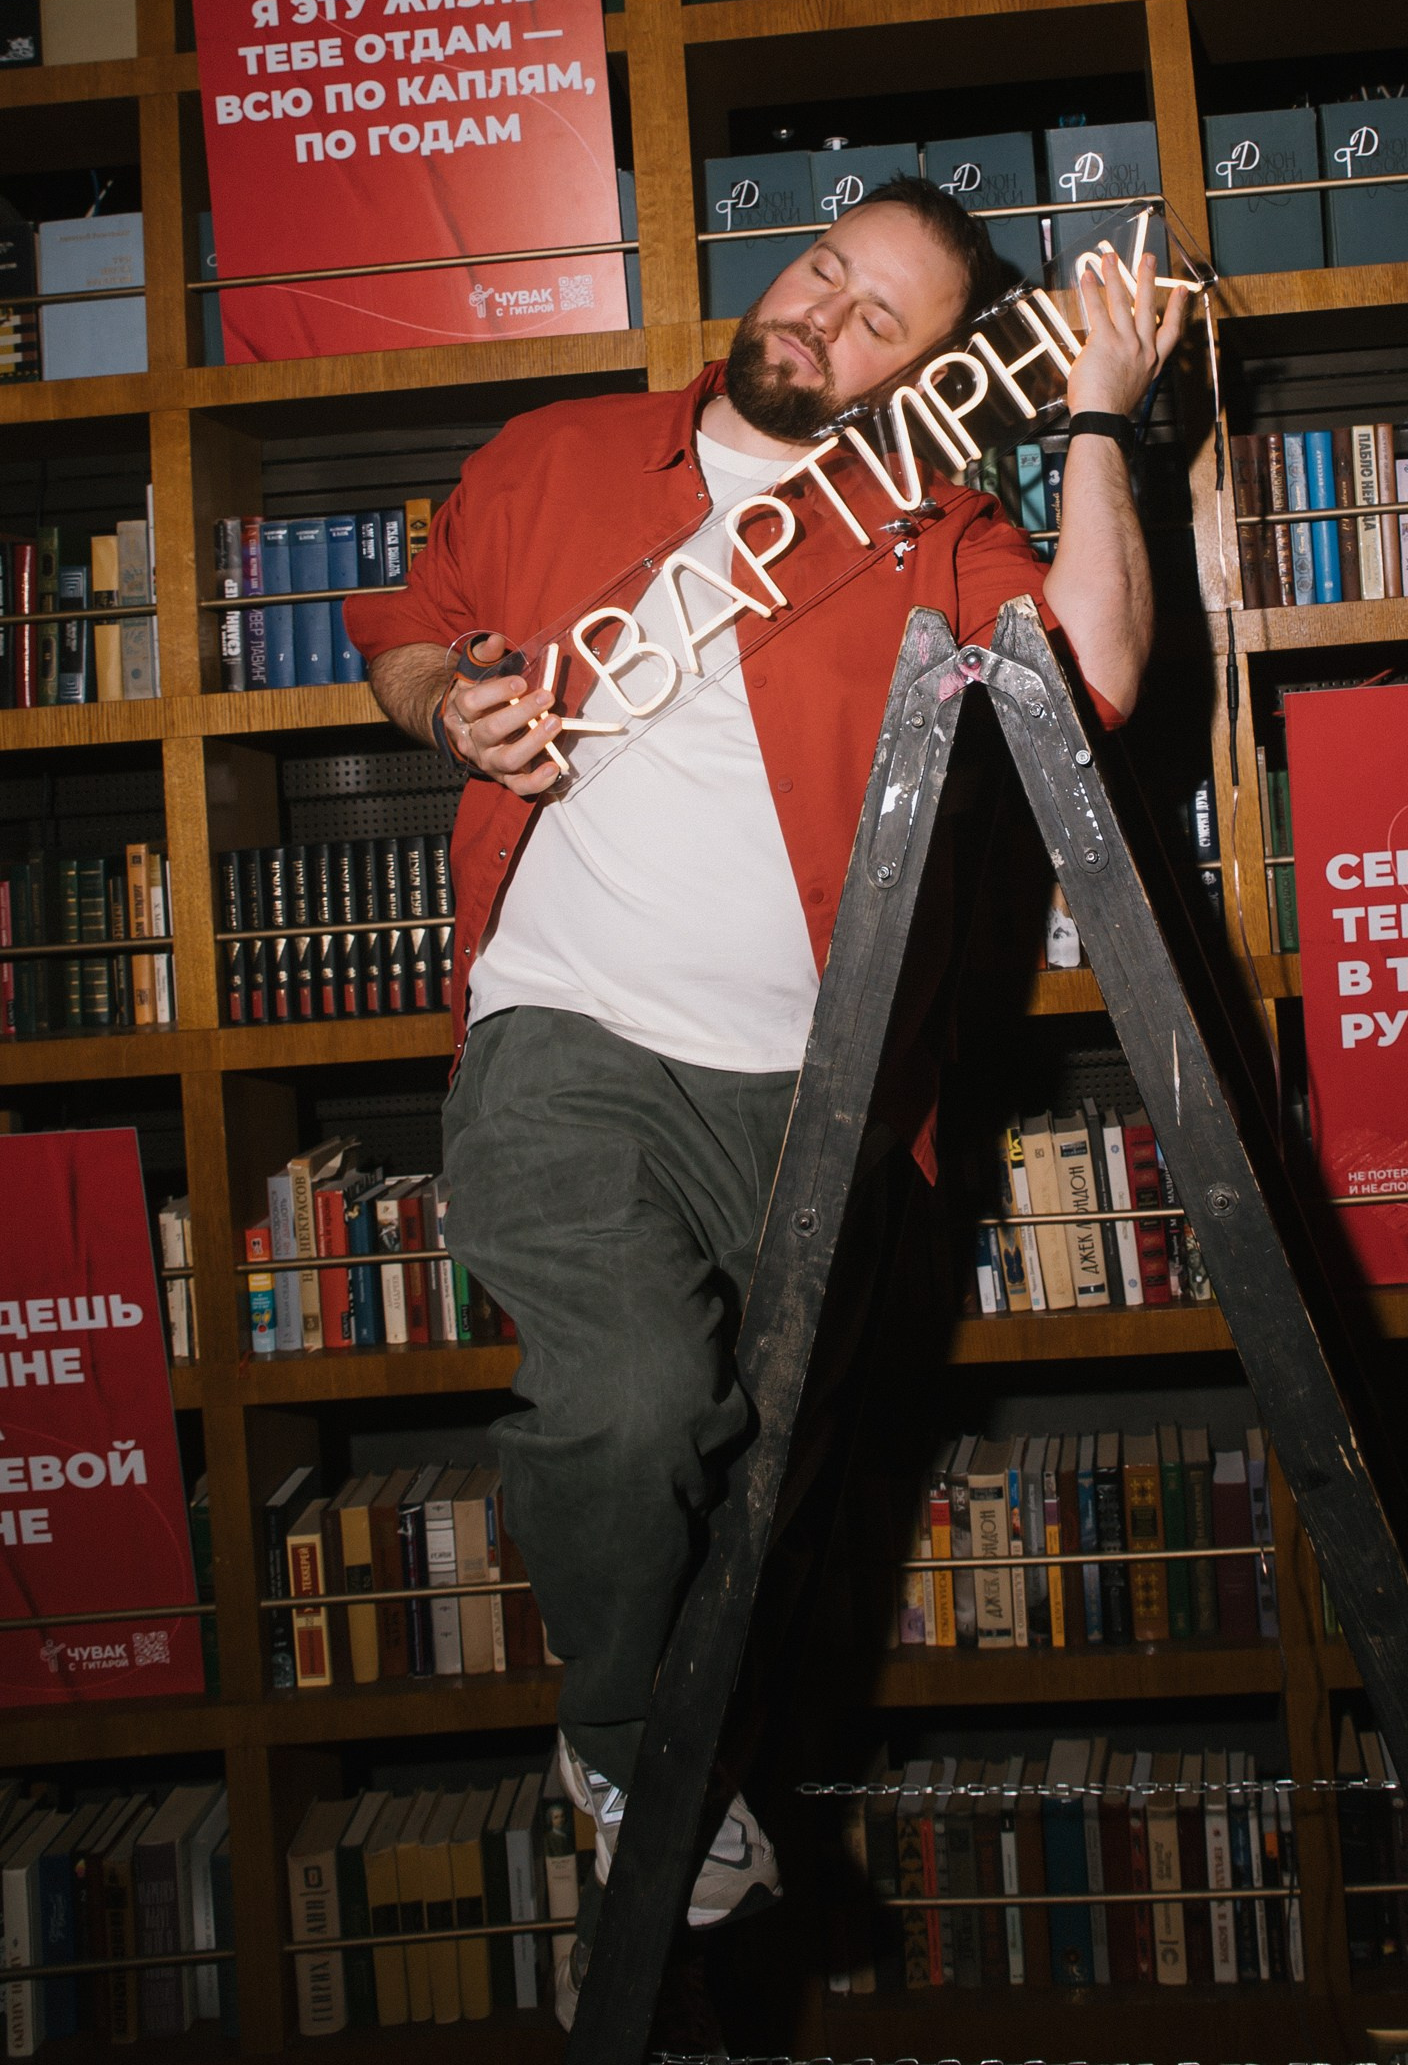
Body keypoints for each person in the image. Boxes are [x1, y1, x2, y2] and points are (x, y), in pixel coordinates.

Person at [344, 175, 1186, 1978]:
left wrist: (1104, 413)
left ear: (927, 379)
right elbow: (410, 624)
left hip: (820, 1093)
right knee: (640, 1398)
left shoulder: (928, 521)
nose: (821, 319)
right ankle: (628, 1751)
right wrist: (448, 704)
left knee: (762, 1489)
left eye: (881, 320)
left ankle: (674, 1761)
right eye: (823, 273)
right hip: (568, 1034)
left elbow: (1099, 671)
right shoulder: (558, 452)